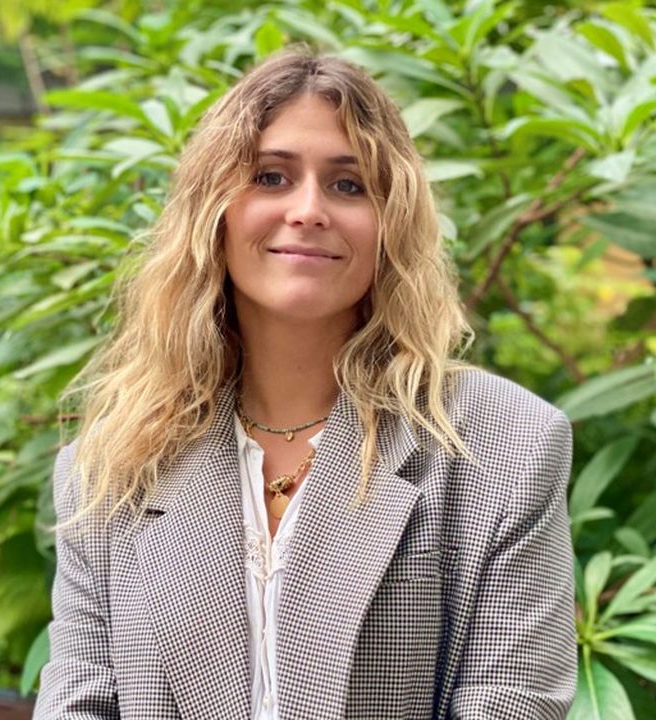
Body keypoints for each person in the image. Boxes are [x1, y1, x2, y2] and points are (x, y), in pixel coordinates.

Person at [33, 47, 577, 720]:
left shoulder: (507, 444)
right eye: (271, 176)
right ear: (213, 214)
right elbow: (79, 703)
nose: (309, 209)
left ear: (392, 222)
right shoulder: (110, 467)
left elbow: (513, 701)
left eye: (349, 185)